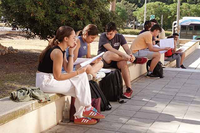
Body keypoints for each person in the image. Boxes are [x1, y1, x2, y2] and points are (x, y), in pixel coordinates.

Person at [36, 26, 105, 125]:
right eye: (73, 37)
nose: (75, 40)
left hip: (50, 79)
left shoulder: (62, 50)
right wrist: (77, 72)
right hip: (45, 82)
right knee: (80, 85)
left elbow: (68, 69)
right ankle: (82, 112)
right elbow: (58, 76)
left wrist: (71, 51)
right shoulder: (57, 52)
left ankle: (84, 111)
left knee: (81, 83)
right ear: (66, 39)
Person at [98, 22, 135, 99]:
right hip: (104, 60)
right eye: (107, 33)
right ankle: (129, 59)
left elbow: (127, 49)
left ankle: (129, 89)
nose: (108, 35)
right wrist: (125, 56)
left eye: (111, 34)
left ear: (115, 32)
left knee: (123, 63)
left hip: (116, 60)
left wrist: (130, 55)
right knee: (109, 53)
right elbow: (110, 49)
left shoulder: (120, 37)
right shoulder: (103, 36)